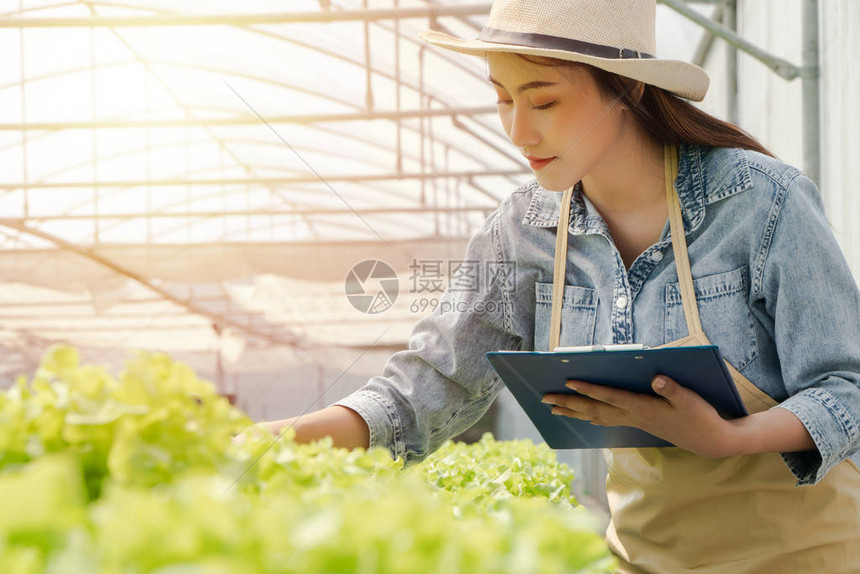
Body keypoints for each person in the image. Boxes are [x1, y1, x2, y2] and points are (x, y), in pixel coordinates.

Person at [254, 0, 860, 571]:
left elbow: (848, 386)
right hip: (647, 556)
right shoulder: (524, 231)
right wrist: (270, 442)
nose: (518, 132)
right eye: (502, 100)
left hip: (805, 554)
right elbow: (428, 385)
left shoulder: (760, 201)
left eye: (543, 102)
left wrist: (727, 438)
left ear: (629, 87)